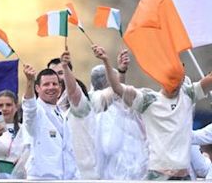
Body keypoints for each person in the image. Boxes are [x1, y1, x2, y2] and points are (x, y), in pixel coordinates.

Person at [93, 44, 212, 180]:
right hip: (158, 176)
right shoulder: (148, 101)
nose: (176, 84)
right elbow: (118, 88)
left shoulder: (188, 95)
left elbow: (208, 81)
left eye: (179, 78)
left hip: (183, 176)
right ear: (162, 79)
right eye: (172, 78)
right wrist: (109, 63)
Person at [89, 49, 148, 180]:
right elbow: (109, 146)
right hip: (112, 175)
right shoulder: (98, 104)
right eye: (114, 80)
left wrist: (121, 71)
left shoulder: (119, 104)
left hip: (129, 174)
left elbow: (118, 92)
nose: (119, 85)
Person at [22, 64, 78, 180]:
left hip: (65, 178)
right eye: (46, 84)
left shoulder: (61, 113)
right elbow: (29, 107)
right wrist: (29, 81)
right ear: (37, 88)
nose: (51, 87)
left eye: (54, 84)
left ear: (60, 87)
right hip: (41, 179)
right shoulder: (37, 112)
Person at [59, 50, 99, 179]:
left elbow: (73, 92)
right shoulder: (59, 113)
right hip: (65, 174)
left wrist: (65, 67)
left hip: (85, 175)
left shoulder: (81, 110)